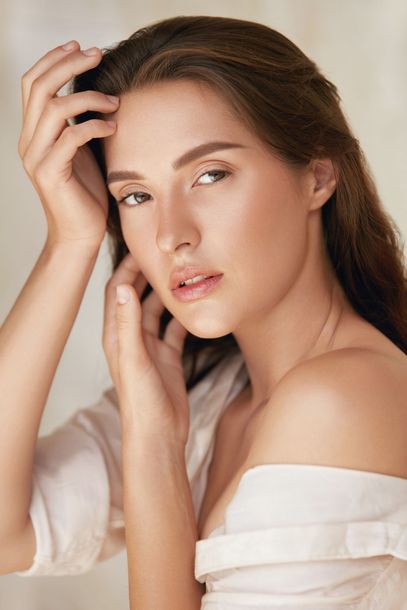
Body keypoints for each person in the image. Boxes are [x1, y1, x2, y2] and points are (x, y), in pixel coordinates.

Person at [1, 13, 406, 609]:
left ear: (318, 175)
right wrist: (70, 241)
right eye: (135, 195)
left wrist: (154, 451)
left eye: (210, 174)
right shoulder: (211, 392)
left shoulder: (342, 400)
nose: (170, 235)